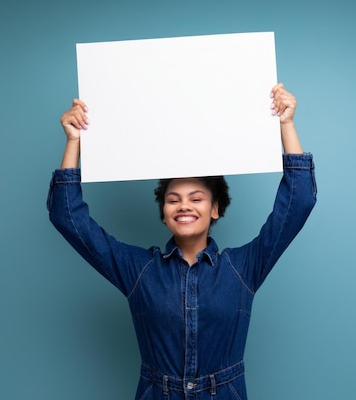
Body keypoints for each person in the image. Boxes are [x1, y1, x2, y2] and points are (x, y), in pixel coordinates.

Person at [47, 83, 317, 400]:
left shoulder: (243, 267)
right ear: (164, 213)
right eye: (173, 200)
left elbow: (298, 202)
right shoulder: (138, 270)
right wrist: (74, 141)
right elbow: (68, 217)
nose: (184, 206)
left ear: (215, 208)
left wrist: (286, 124)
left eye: (196, 198)